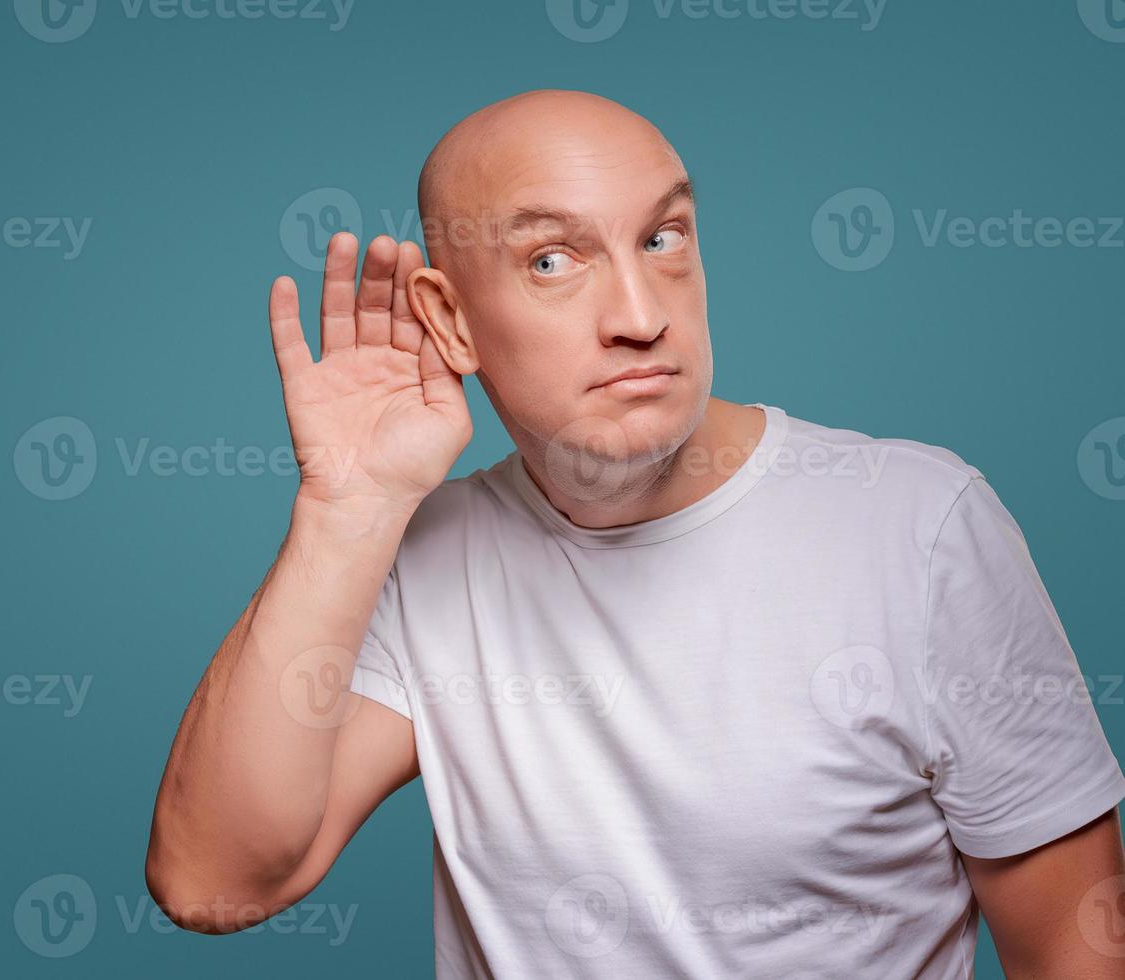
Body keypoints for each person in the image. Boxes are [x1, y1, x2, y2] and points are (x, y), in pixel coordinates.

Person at [144, 88, 1125, 977]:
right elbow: (210, 877)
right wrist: (345, 507)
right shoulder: (428, 549)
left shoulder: (919, 524)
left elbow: (1075, 951)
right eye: (552, 260)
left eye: (663, 238)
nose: (639, 314)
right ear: (451, 323)